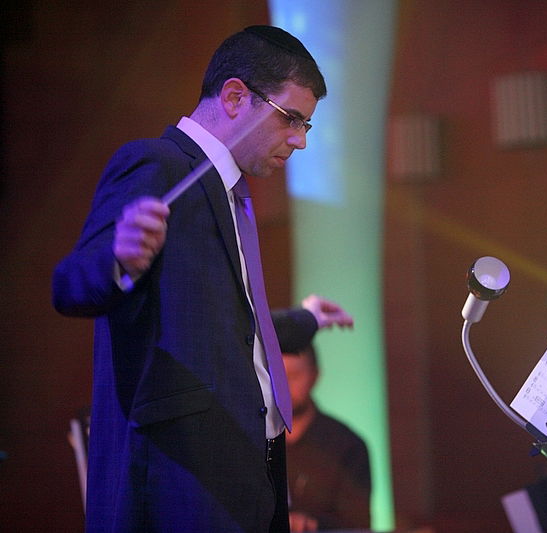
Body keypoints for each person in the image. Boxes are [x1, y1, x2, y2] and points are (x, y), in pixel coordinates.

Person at [52, 25, 353, 533]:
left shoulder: (230, 190)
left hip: (247, 476)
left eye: (306, 125)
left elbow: (220, 325)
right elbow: (69, 284)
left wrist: (304, 321)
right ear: (235, 97)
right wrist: (118, 259)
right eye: (291, 119)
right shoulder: (156, 164)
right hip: (182, 485)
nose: (300, 140)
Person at [283, 344, 371, 533]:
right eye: (276, 376)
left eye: (294, 376)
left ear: (314, 376)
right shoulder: (256, 441)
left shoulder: (346, 445)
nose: (284, 385)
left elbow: (357, 521)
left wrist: (309, 524)